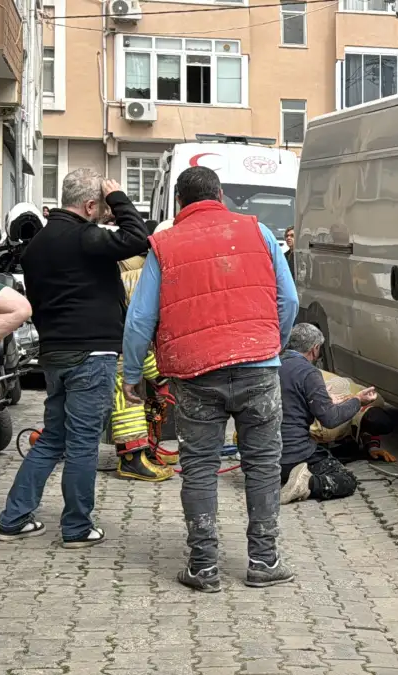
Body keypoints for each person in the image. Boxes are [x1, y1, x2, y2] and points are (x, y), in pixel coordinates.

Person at [122, 166, 299, 593]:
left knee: (200, 466)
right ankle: (264, 560)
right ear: (220, 195)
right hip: (259, 366)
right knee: (262, 464)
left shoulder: (163, 246)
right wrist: (271, 342)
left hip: (196, 373)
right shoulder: (259, 233)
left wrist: (132, 375)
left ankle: (204, 567)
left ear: (180, 202)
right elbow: (289, 299)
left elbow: (140, 319)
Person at [0, 171, 149, 547]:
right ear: (91, 205)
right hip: (91, 354)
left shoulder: (37, 245)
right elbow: (139, 238)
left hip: (55, 354)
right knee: (82, 443)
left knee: (53, 439)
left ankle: (13, 518)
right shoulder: (86, 237)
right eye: (102, 205)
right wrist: (121, 201)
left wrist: (107, 208)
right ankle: (77, 527)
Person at [278, 323, 388, 505]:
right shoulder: (309, 373)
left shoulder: (272, 365)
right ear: (314, 349)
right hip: (294, 456)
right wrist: (357, 401)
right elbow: (330, 419)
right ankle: (308, 484)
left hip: (264, 457)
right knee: (345, 480)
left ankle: (292, 478)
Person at [109, 250, 176, 482]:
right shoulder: (151, 280)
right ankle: (132, 460)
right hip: (116, 343)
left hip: (122, 339)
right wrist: (159, 375)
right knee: (127, 394)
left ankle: (143, 451)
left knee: (144, 389)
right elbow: (137, 333)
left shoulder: (146, 275)